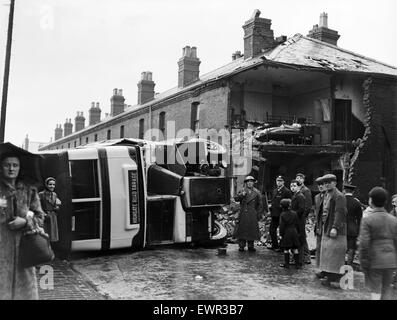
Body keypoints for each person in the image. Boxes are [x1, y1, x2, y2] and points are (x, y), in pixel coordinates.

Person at [0, 154, 45, 300]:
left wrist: (26, 223)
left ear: (20, 168)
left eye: (15, 165)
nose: (11, 169)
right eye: (7, 165)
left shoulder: (29, 190)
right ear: (1, 167)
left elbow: (40, 217)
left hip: (24, 253)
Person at [358, 187, 397, 300]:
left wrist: (363, 262)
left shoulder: (368, 220)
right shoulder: (393, 220)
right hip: (391, 261)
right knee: (386, 289)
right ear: (385, 202)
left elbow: (364, 244)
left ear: (371, 201)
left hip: (374, 261)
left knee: (375, 290)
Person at [318, 174, 347, 288]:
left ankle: (333, 277)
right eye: (325, 183)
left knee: (334, 254)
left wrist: (335, 227)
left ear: (335, 183)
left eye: (329, 182)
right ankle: (326, 273)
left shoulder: (339, 196)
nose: (326, 184)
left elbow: (339, 212)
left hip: (335, 229)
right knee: (327, 252)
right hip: (326, 226)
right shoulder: (326, 194)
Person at [234, 176, 263, 252]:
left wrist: (258, 214)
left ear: (253, 183)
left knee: (251, 230)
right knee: (242, 230)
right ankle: (241, 246)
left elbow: (260, 204)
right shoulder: (242, 191)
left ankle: (251, 245)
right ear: (246, 183)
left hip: (252, 212)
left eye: (251, 181)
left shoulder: (257, 192)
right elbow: (236, 199)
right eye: (248, 182)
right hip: (243, 212)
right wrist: (241, 195)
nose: (250, 183)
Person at [269, 175, 292, 251]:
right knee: (272, 229)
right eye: (277, 181)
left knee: (283, 231)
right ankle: (275, 245)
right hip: (275, 214)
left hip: (282, 214)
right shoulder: (275, 190)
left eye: (280, 181)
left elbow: (289, 203)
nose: (279, 182)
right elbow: (273, 202)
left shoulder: (287, 191)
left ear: (283, 182)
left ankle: (282, 247)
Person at [343, 183, 363, 266]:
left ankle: (340, 266)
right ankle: (349, 266)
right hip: (352, 228)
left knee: (341, 248)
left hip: (342, 228)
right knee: (351, 248)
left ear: (344, 190)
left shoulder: (341, 200)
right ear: (353, 192)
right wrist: (358, 230)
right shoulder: (356, 202)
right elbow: (359, 218)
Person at [295, 173, 312, 264]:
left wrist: (303, 216)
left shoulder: (306, 190)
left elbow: (308, 206)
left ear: (303, 180)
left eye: (300, 178)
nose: (298, 179)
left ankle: (306, 255)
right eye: (297, 178)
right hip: (296, 217)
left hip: (301, 217)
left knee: (302, 236)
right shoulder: (296, 189)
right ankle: (299, 255)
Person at [279, 199, 301, 269]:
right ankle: (297, 264)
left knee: (286, 249)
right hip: (294, 231)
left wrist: (281, 234)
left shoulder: (282, 214)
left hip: (287, 233)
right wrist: (298, 232)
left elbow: (282, 226)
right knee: (295, 249)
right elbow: (298, 224)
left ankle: (286, 264)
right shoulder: (295, 213)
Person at [39, 177, 61, 242]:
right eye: (50, 184)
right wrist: (44, 214)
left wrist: (57, 207)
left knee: (52, 236)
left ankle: (50, 249)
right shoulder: (41, 194)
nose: (52, 186)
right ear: (46, 185)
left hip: (53, 217)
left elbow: (55, 206)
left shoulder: (54, 194)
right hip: (45, 218)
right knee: (45, 236)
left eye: (53, 184)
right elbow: (37, 206)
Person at [290, 179, 306, 268]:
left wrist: (292, 216)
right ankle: (296, 259)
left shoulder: (300, 196)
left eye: (294, 186)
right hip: (295, 221)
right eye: (291, 186)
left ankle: (299, 261)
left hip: (298, 222)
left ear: (299, 187)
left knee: (299, 240)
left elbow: (301, 209)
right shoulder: (295, 195)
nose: (292, 188)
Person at [313, 176, 326, 272]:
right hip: (319, 225)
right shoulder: (317, 197)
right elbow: (316, 212)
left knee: (325, 248)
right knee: (318, 246)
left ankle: (324, 268)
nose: (320, 187)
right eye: (319, 185)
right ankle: (319, 267)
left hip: (326, 225)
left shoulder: (330, 196)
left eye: (322, 185)